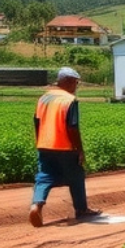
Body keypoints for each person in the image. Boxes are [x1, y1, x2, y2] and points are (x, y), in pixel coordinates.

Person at [29, 66, 100, 226]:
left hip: (44, 144)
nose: (76, 87)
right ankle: (81, 209)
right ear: (67, 81)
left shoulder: (44, 98)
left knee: (44, 176)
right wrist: (79, 150)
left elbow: (37, 121)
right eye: (75, 83)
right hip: (65, 145)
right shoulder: (69, 100)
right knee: (76, 175)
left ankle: (36, 205)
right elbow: (72, 127)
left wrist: (40, 140)